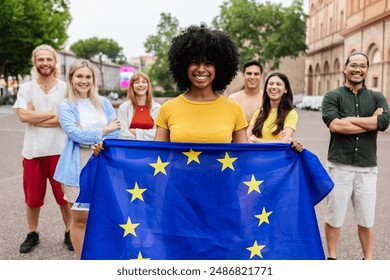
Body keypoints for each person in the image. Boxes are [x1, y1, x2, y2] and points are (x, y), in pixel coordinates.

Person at [321, 52, 390, 260]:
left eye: (362, 66)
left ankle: (367, 260)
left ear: (367, 70)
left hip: (367, 168)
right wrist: (370, 123)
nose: (357, 69)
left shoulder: (377, 97)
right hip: (339, 165)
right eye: (353, 65)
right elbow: (335, 125)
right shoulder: (332, 96)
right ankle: (332, 258)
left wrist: (350, 120)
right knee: (334, 216)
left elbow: (384, 122)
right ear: (345, 68)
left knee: (367, 218)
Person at [53, 58, 120, 259]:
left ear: (93, 79)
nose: (84, 80)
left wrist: (100, 138)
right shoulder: (65, 106)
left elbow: (116, 131)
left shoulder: (105, 103)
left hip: (103, 161)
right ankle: (82, 260)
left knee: (102, 214)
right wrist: (104, 130)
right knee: (80, 219)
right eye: (79, 76)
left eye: (88, 76)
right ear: (71, 79)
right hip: (77, 165)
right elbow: (75, 134)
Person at [12, 44, 73, 253]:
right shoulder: (26, 88)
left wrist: (35, 116)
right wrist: (52, 115)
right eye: (41, 59)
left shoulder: (65, 88)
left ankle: (70, 231)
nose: (45, 63)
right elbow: (22, 116)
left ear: (55, 62)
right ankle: (33, 233)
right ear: (35, 62)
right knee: (32, 197)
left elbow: (65, 120)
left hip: (60, 151)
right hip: (32, 151)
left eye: (49, 59)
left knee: (64, 197)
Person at [154, 23, 248, 143]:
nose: (201, 69)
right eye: (195, 62)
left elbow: (245, 157)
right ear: (184, 66)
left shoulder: (234, 109)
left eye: (208, 63)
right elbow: (157, 156)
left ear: (218, 68)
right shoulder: (167, 109)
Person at [247, 72, 300, 149]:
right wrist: (274, 141)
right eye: (271, 83)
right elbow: (246, 138)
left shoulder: (291, 113)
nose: (274, 87)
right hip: (257, 157)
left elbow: (283, 143)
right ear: (266, 88)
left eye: (278, 84)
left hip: (276, 158)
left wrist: (256, 140)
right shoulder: (259, 112)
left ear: (285, 90)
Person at [118, 72, 161, 140]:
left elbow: (158, 135)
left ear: (148, 85)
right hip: (129, 149)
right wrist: (148, 135)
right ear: (132, 86)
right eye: (137, 82)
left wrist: (135, 131)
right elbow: (123, 135)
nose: (141, 85)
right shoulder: (124, 108)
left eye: (144, 82)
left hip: (151, 149)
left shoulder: (157, 108)